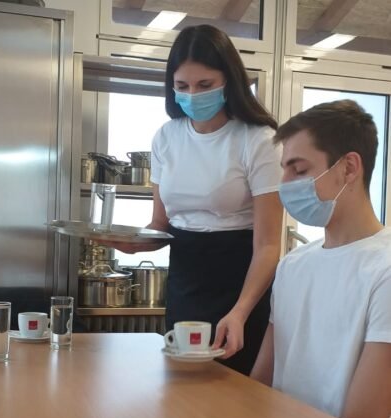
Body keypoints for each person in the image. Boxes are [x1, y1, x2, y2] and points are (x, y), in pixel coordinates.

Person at [111, 25, 283, 375]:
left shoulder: (259, 140)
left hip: (241, 283)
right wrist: (130, 242)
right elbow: (161, 224)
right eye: (182, 86)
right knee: (181, 383)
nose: (192, 95)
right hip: (185, 281)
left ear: (229, 81)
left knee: (236, 391)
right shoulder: (167, 137)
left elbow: (267, 245)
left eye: (204, 85)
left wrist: (240, 312)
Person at [246, 100, 391, 418]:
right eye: (283, 170)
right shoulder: (292, 266)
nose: (284, 184)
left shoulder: (383, 271)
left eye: (298, 171)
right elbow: (261, 384)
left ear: (349, 168)